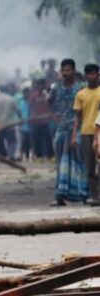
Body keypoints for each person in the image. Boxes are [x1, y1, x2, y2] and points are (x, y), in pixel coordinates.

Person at [48, 59, 86, 206]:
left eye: (68, 70)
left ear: (74, 71)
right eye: (63, 70)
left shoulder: (81, 88)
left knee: (79, 162)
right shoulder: (56, 88)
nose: (65, 73)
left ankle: (84, 193)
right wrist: (54, 116)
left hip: (79, 129)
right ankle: (60, 194)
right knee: (61, 163)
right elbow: (49, 102)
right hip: (61, 129)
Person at [73, 63, 100, 206]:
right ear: (85, 76)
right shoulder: (80, 94)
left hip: (99, 133)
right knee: (90, 167)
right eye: (89, 74)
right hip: (85, 132)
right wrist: (73, 135)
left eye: (94, 73)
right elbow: (77, 116)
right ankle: (95, 197)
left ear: (98, 74)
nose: (91, 76)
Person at [0, 86, 21, 160]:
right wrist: (21, 119)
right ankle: (11, 155)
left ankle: (1, 156)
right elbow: (18, 110)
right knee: (12, 141)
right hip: (10, 125)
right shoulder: (11, 99)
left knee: (1, 141)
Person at [28, 79, 53, 161]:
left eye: (42, 85)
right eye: (39, 85)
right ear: (37, 86)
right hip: (36, 121)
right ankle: (39, 156)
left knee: (47, 139)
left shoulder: (46, 95)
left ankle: (50, 156)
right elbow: (30, 107)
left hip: (45, 121)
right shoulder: (33, 96)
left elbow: (49, 106)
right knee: (37, 139)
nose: (41, 87)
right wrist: (31, 117)